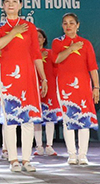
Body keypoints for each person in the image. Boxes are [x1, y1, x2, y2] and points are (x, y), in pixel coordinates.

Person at [0, 0, 47, 173]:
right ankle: (13, 159)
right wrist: (14, 32)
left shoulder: (30, 27)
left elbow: (36, 54)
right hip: (7, 76)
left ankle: (26, 160)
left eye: (14, 1)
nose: (11, 4)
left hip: (28, 75)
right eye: (7, 1)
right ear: (3, 6)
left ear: (20, 5)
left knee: (28, 118)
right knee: (10, 119)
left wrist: (43, 77)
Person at [51, 13, 99, 166]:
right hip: (65, 86)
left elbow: (93, 68)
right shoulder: (57, 42)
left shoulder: (86, 44)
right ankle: (72, 154)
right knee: (68, 120)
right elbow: (57, 59)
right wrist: (71, 48)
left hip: (84, 86)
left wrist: (96, 87)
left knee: (84, 119)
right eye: (65, 23)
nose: (68, 26)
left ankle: (82, 154)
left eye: (71, 23)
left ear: (78, 25)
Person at [34, 28, 59, 157]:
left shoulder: (50, 53)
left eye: (40, 36)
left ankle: (49, 145)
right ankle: (38, 146)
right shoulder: (29, 54)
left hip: (50, 88)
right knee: (36, 118)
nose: (37, 39)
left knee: (50, 118)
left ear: (44, 39)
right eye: (35, 36)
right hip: (34, 88)